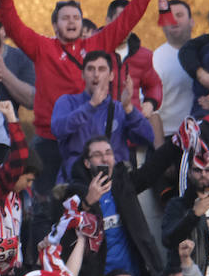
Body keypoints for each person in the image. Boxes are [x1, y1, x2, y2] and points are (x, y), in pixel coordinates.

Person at [0, 0, 160, 194]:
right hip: (49, 140)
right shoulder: (42, 47)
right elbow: (14, 26)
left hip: (85, 141)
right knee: (46, 204)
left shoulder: (97, 43)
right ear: (55, 26)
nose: (72, 22)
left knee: (90, 204)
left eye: (76, 17)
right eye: (65, 18)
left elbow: (126, 20)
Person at [50, 51, 155, 182]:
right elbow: (57, 130)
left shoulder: (119, 109)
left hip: (114, 183)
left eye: (102, 69)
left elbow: (148, 138)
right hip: (76, 181)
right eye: (90, 69)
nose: (96, 75)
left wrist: (129, 108)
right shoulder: (67, 102)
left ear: (111, 75)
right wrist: (91, 106)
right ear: (82, 75)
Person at [154, 0, 195, 135]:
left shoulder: (204, 53)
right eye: (169, 16)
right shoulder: (155, 59)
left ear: (192, 22)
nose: (174, 20)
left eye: (179, 15)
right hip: (170, 137)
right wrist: (160, 150)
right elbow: (151, 111)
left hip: (204, 137)